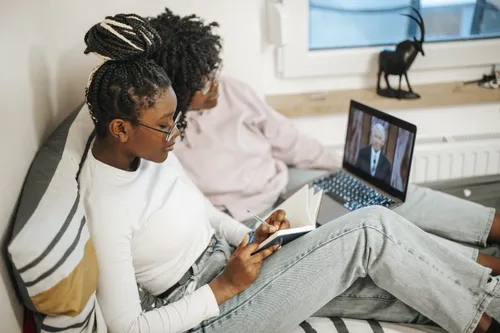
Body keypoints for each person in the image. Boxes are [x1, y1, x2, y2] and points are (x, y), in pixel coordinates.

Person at [79, 14, 500, 333]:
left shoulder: (152, 152)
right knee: (369, 229)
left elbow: (204, 211)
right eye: (167, 125)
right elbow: (125, 328)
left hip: (231, 256)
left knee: (385, 272)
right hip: (210, 309)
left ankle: (487, 310)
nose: (176, 133)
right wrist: (224, 286)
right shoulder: (106, 205)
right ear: (121, 128)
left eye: (176, 121)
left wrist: (250, 238)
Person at [148, 9, 340, 222]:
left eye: (212, 71)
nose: (214, 84)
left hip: (282, 184)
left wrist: (342, 166)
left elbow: (290, 140)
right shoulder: (161, 132)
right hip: (239, 217)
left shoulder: (233, 91)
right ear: (177, 88)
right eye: (202, 83)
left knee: (357, 205)